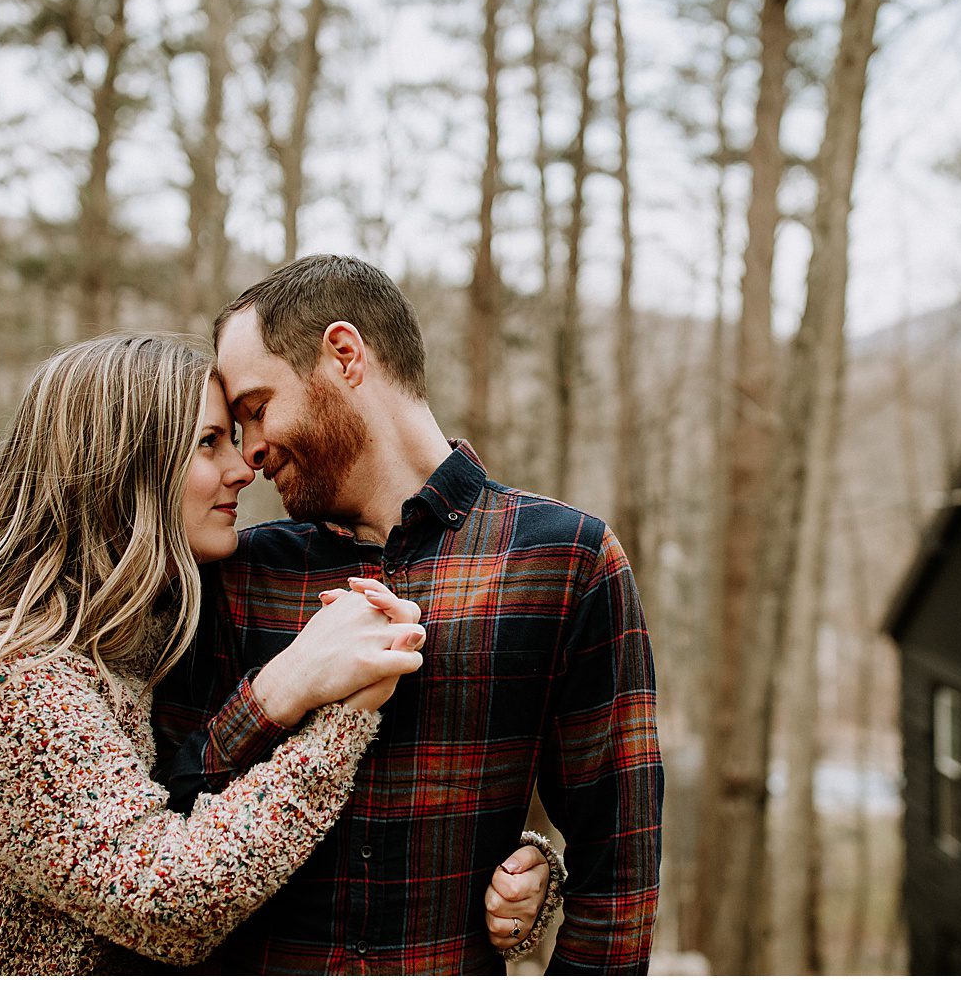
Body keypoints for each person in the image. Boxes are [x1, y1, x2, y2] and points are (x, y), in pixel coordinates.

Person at [0, 334, 550, 974]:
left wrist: (517, 864)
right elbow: (170, 900)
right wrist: (339, 711)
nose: (242, 466)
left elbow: (160, 811)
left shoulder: (126, 640)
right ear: (124, 466)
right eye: (209, 442)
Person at [153, 255, 664, 974]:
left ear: (344, 355)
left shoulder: (565, 561)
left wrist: (535, 869)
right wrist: (278, 691)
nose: (252, 453)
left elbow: (619, 876)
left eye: (257, 410)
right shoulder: (234, 574)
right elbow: (151, 831)